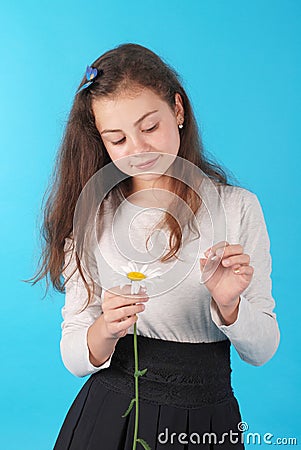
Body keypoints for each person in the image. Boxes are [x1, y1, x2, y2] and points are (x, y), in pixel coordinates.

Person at [30, 43, 280, 449]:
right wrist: (105, 329)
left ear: (178, 111)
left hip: (206, 423)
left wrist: (231, 307)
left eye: (149, 127)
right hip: (110, 419)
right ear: (102, 141)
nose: (138, 150)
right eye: (117, 139)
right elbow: (74, 358)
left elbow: (263, 350)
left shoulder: (237, 208)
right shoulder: (93, 216)